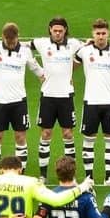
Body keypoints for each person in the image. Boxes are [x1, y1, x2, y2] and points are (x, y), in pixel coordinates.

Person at [75, 18, 110, 186]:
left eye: (103, 33)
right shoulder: (84, 51)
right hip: (90, 101)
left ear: (108, 33)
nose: (100, 36)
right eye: (97, 33)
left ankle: (109, 178)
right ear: (93, 34)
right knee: (88, 139)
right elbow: (71, 65)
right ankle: (89, 178)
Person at [0, 23, 44, 174]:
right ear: (3, 37)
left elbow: (36, 68)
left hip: (19, 101)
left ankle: (20, 173)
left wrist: (49, 77)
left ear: (18, 37)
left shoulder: (25, 51)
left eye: (13, 41)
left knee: (20, 137)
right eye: (8, 41)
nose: (11, 44)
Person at [31, 17, 83, 180]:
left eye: (61, 30)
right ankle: (43, 175)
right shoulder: (41, 43)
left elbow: (89, 49)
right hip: (48, 96)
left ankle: (71, 175)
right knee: (46, 134)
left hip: (66, 96)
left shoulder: (74, 44)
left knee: (68, 134)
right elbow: (20, 46)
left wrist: (71, 70)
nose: (58, 33)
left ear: (65, 30)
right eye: (55, 30)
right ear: (50, 30)